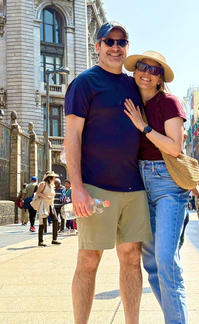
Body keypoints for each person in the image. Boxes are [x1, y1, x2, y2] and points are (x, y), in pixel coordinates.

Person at [65, 21, 151, 324]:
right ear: (97, 46)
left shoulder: (133, 85)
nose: (116, 47)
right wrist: (77, 187)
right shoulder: (85, 83)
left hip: (134, 188)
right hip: (95, 187)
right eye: (109, 41)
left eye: (121, 42)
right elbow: (72, 135)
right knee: (89, 259)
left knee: (131, 258)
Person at [122, 50, 189, 323]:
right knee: (150, 265)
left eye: (153, 70)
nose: (146, 73)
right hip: (139, 183)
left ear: (161, 78)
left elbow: (175, 148)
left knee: (165, 260)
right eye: (141, 67)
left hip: (167, 185)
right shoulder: (130, 101)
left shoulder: (170, 103)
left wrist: (143, 126)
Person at [35, 171, 62, 247]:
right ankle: (40, 241)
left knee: (55, 220)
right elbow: (38, 193)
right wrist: (46, 197)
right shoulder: (43, 184)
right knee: (42, 223)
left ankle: (54, 239)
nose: (55, 178)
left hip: (51, 205)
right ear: (50, 177)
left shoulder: (51, 185)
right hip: (44, 204)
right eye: (54, 177)